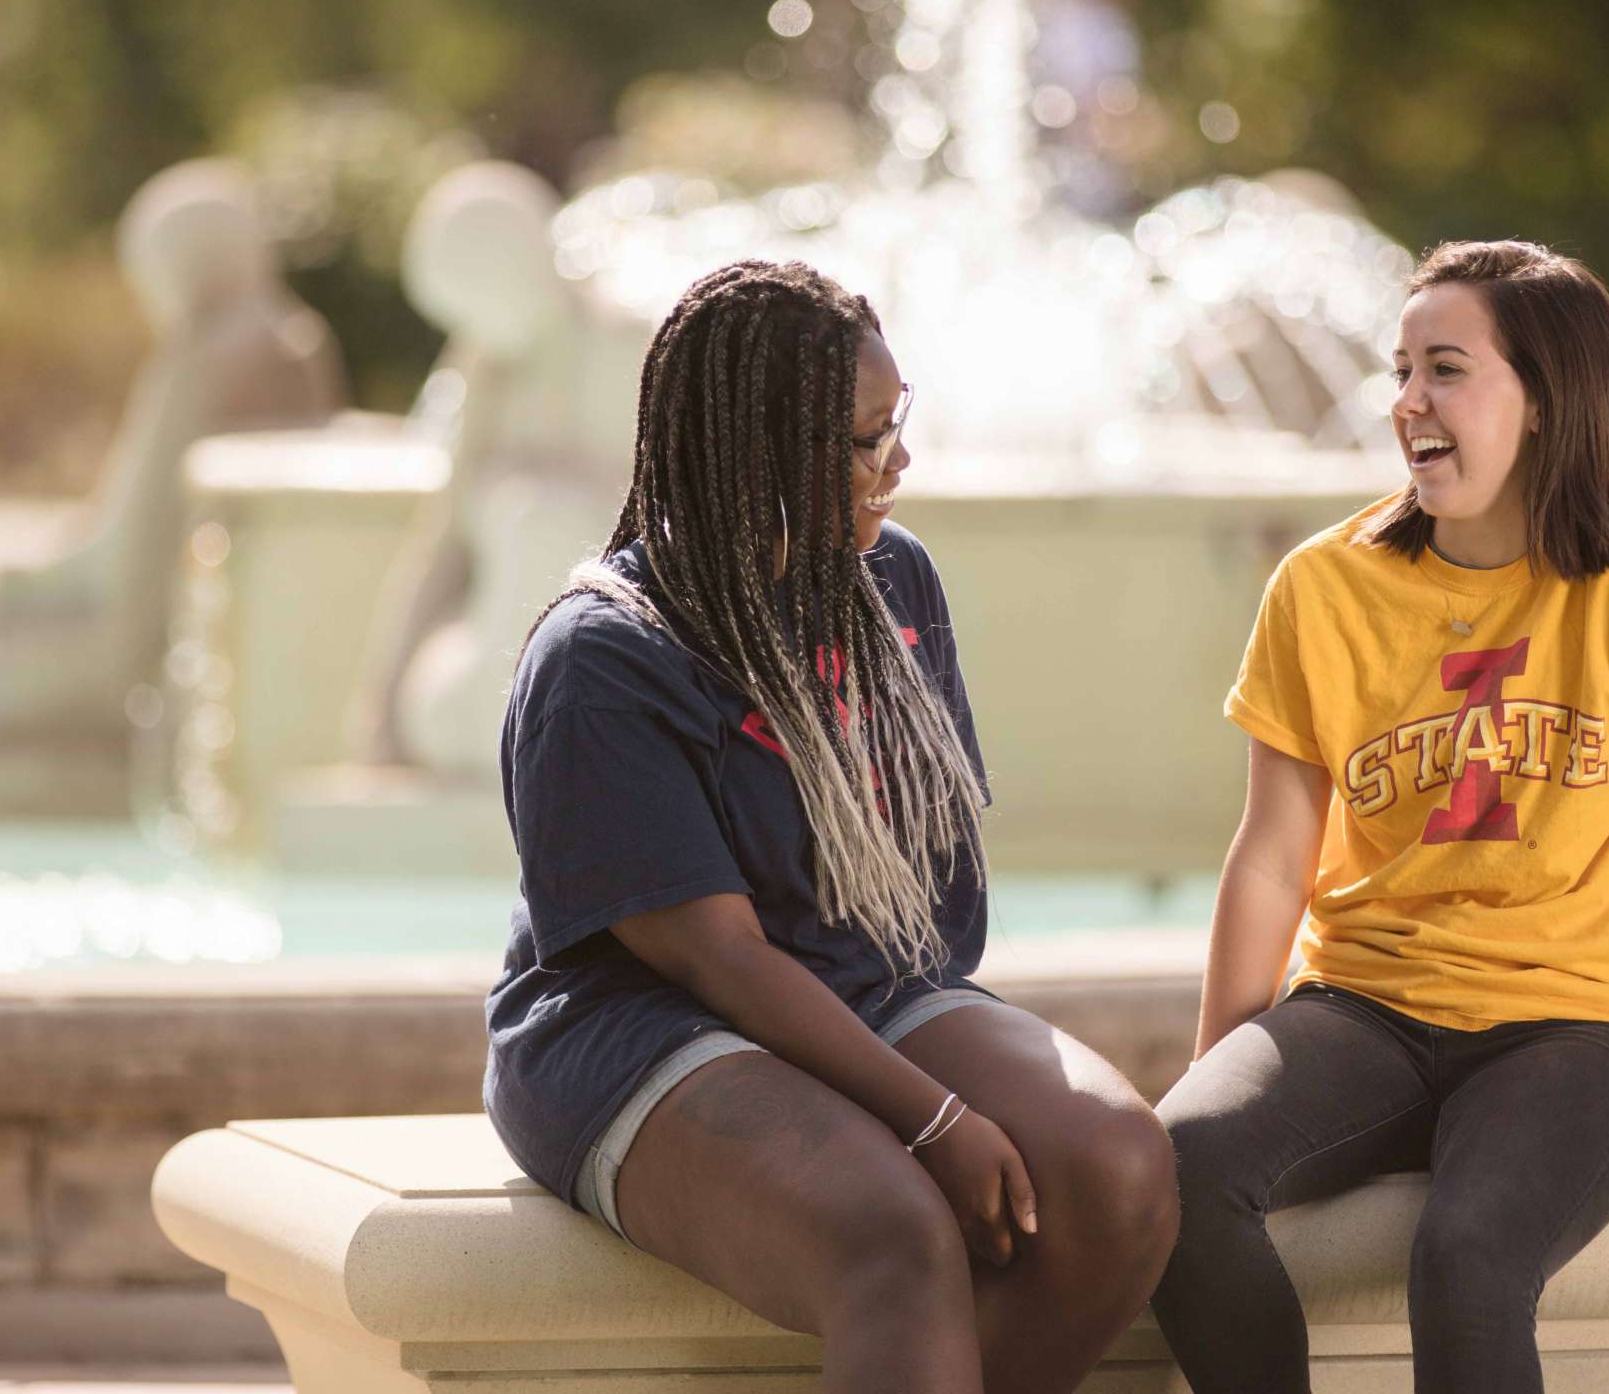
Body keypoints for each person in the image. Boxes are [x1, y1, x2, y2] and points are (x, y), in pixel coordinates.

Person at [1150, 240, 1609, 1392]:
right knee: (1169, 1171)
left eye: (1446, 369)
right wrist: (1222, 1087)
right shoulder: (1321, 587)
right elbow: (1271, 859)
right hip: (1368, 1004)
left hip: (1584, 1024)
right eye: (1400, 372)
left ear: (1545, 400)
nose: (1408, 403)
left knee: (1469, 1254)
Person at [483, 260, 1177, 1392]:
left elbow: (931, 896)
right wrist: (937, 1115)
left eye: (895, 423)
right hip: (641, 1031)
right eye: (862, 440)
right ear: (763, 453)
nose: (897, 462)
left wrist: (940, 1073)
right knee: (891, 1234)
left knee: (1118, 1167)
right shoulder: (607, 654)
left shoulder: (890, 583)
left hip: (864, 981)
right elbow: (716, 957)